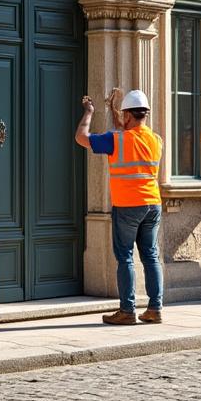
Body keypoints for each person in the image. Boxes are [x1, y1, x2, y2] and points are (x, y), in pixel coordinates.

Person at [75, 88, 164, 325]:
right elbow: (125, 133)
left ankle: (127, 310)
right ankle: (155, 309)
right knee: (151, 256)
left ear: (128, 116)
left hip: (127, 205)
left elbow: (82, 137)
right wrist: (114, 109)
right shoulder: (156, 140)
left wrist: (89, 113)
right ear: (144, 114)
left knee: (125, 257)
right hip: (153, 204)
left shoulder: (116, 140)